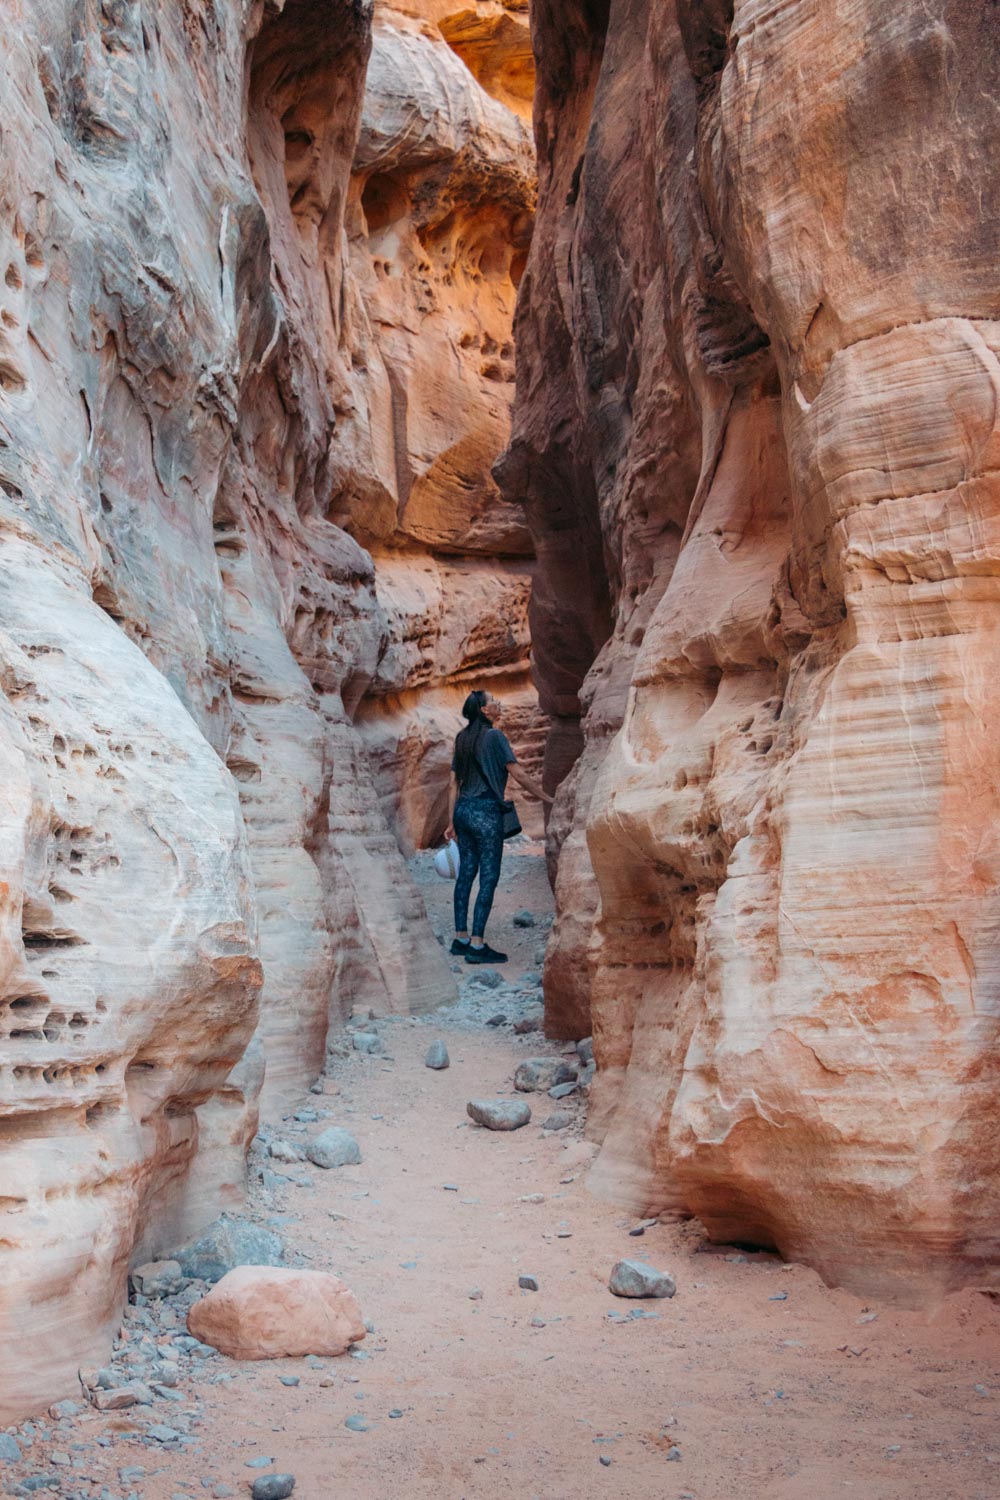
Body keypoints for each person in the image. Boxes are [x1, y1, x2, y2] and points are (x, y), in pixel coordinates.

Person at [444, 689, 553, 964]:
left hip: (463, 811)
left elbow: (453, 783)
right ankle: (478, 946)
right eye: (493, 701)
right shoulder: (495, 736)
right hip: (486, 813)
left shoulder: (462, 738)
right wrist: (545, 797)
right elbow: (516, 772)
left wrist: (450, 821)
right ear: (483, 709)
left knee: (466, 873)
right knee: (489, 877)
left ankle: (460, 939)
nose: (498, 704)